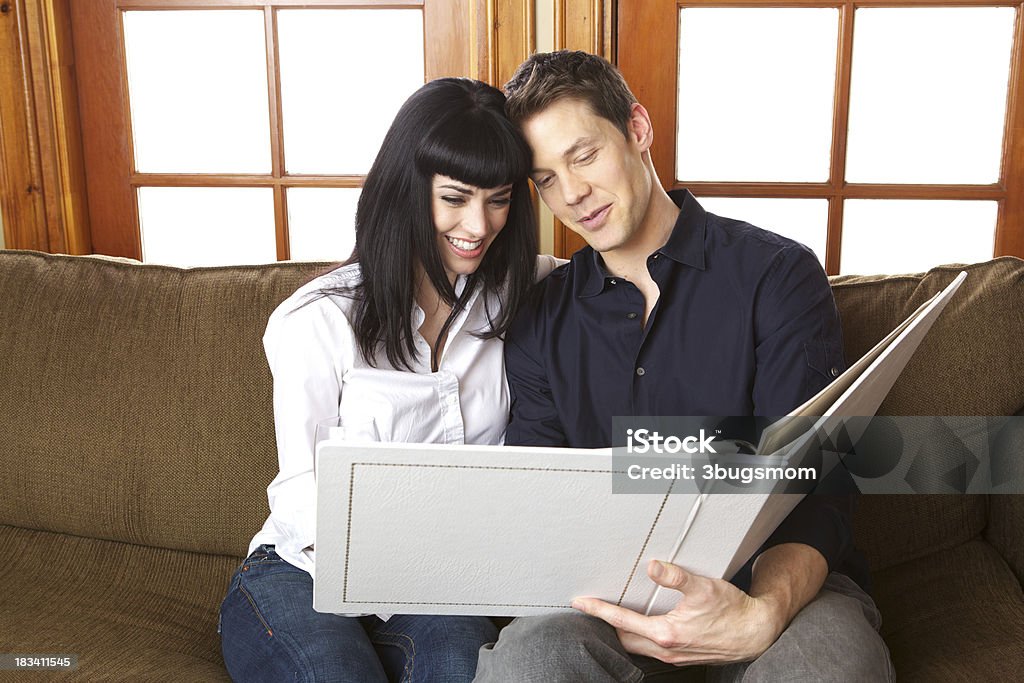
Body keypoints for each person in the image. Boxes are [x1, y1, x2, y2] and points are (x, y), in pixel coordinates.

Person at [473, 51, 894, 682]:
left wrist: (763, 613)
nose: (573, 193)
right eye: (546, 180)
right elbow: (542, 502)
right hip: (605, 612)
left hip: (774, 593)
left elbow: (816, 484)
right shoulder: (540, 317)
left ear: (637, 129)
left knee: (833, 665)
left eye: (583, 155)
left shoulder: (776, 277)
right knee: (531, 660)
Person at [218, 77, 559, 683]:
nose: (478, 226)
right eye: (454, 198)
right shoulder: (319, 319)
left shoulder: (526, 290)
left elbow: (623, 269)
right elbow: (302, 492)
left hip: (441, 590)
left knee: (458, 665)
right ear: (406, 190)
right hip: (304, 574)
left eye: (499, 199)